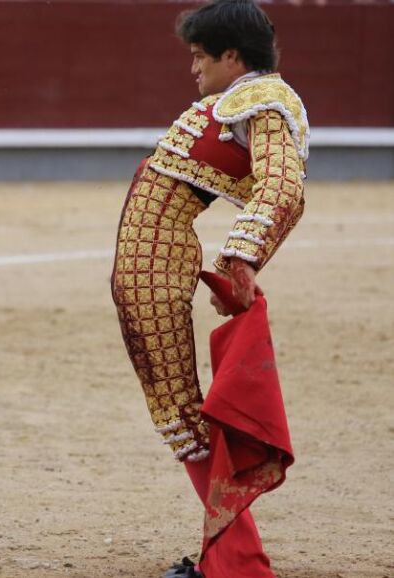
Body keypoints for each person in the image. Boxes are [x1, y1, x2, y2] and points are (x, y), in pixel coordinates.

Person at [109, 1, 308, 576]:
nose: (193, 68)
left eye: (201, 56)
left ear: (232, 55)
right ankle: (233, 555)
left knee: (180, 414)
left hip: (158, 264)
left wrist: (239, 262)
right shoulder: (244, 101)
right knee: (179, 412)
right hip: (152, 262)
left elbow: (283, 189)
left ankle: (238, 561)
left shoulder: (260, 100)